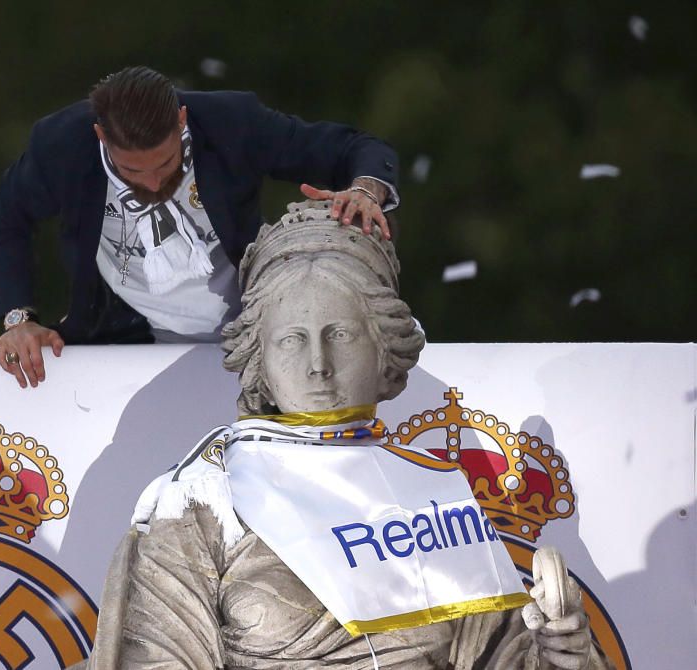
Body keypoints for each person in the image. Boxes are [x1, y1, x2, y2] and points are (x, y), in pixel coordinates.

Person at [76, 202, 611, 669]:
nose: (318, 366)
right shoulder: (204, 499)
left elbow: (501, 658)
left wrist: (563, 653)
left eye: (339, 334)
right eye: (292, 339)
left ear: (384, 351)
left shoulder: (433, 495)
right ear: (258, 357)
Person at [0, 66, 401, 389]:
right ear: (100, 137)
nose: (150, 182)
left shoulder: (231, 123)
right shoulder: (63, 145)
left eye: (165, 165)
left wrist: (364, 190)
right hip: (123, 338)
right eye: (130, 170)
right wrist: (18, 318)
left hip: (254, 333)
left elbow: (354, 148)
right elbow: (6, 216)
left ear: (182, 119)